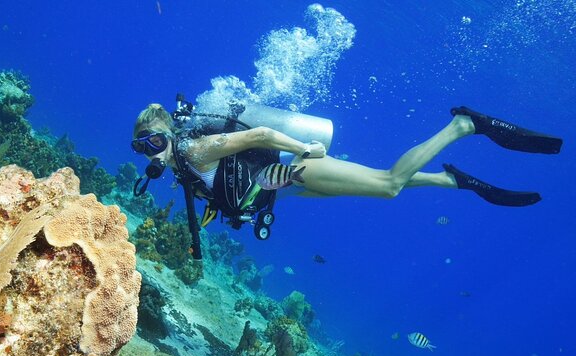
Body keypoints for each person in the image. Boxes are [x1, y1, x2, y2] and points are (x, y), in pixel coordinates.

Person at [130, 102, 562, 255]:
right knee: (377, 182)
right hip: (283, 186)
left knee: (389, 185)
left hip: (295, 167)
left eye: (152, 142)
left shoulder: (191, 149)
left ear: (168, 134)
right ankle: (452, 181)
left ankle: (462, 127)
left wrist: (304, 149)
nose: (151, 152)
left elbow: (259, 134)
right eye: (141, 147)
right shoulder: (179, 166)